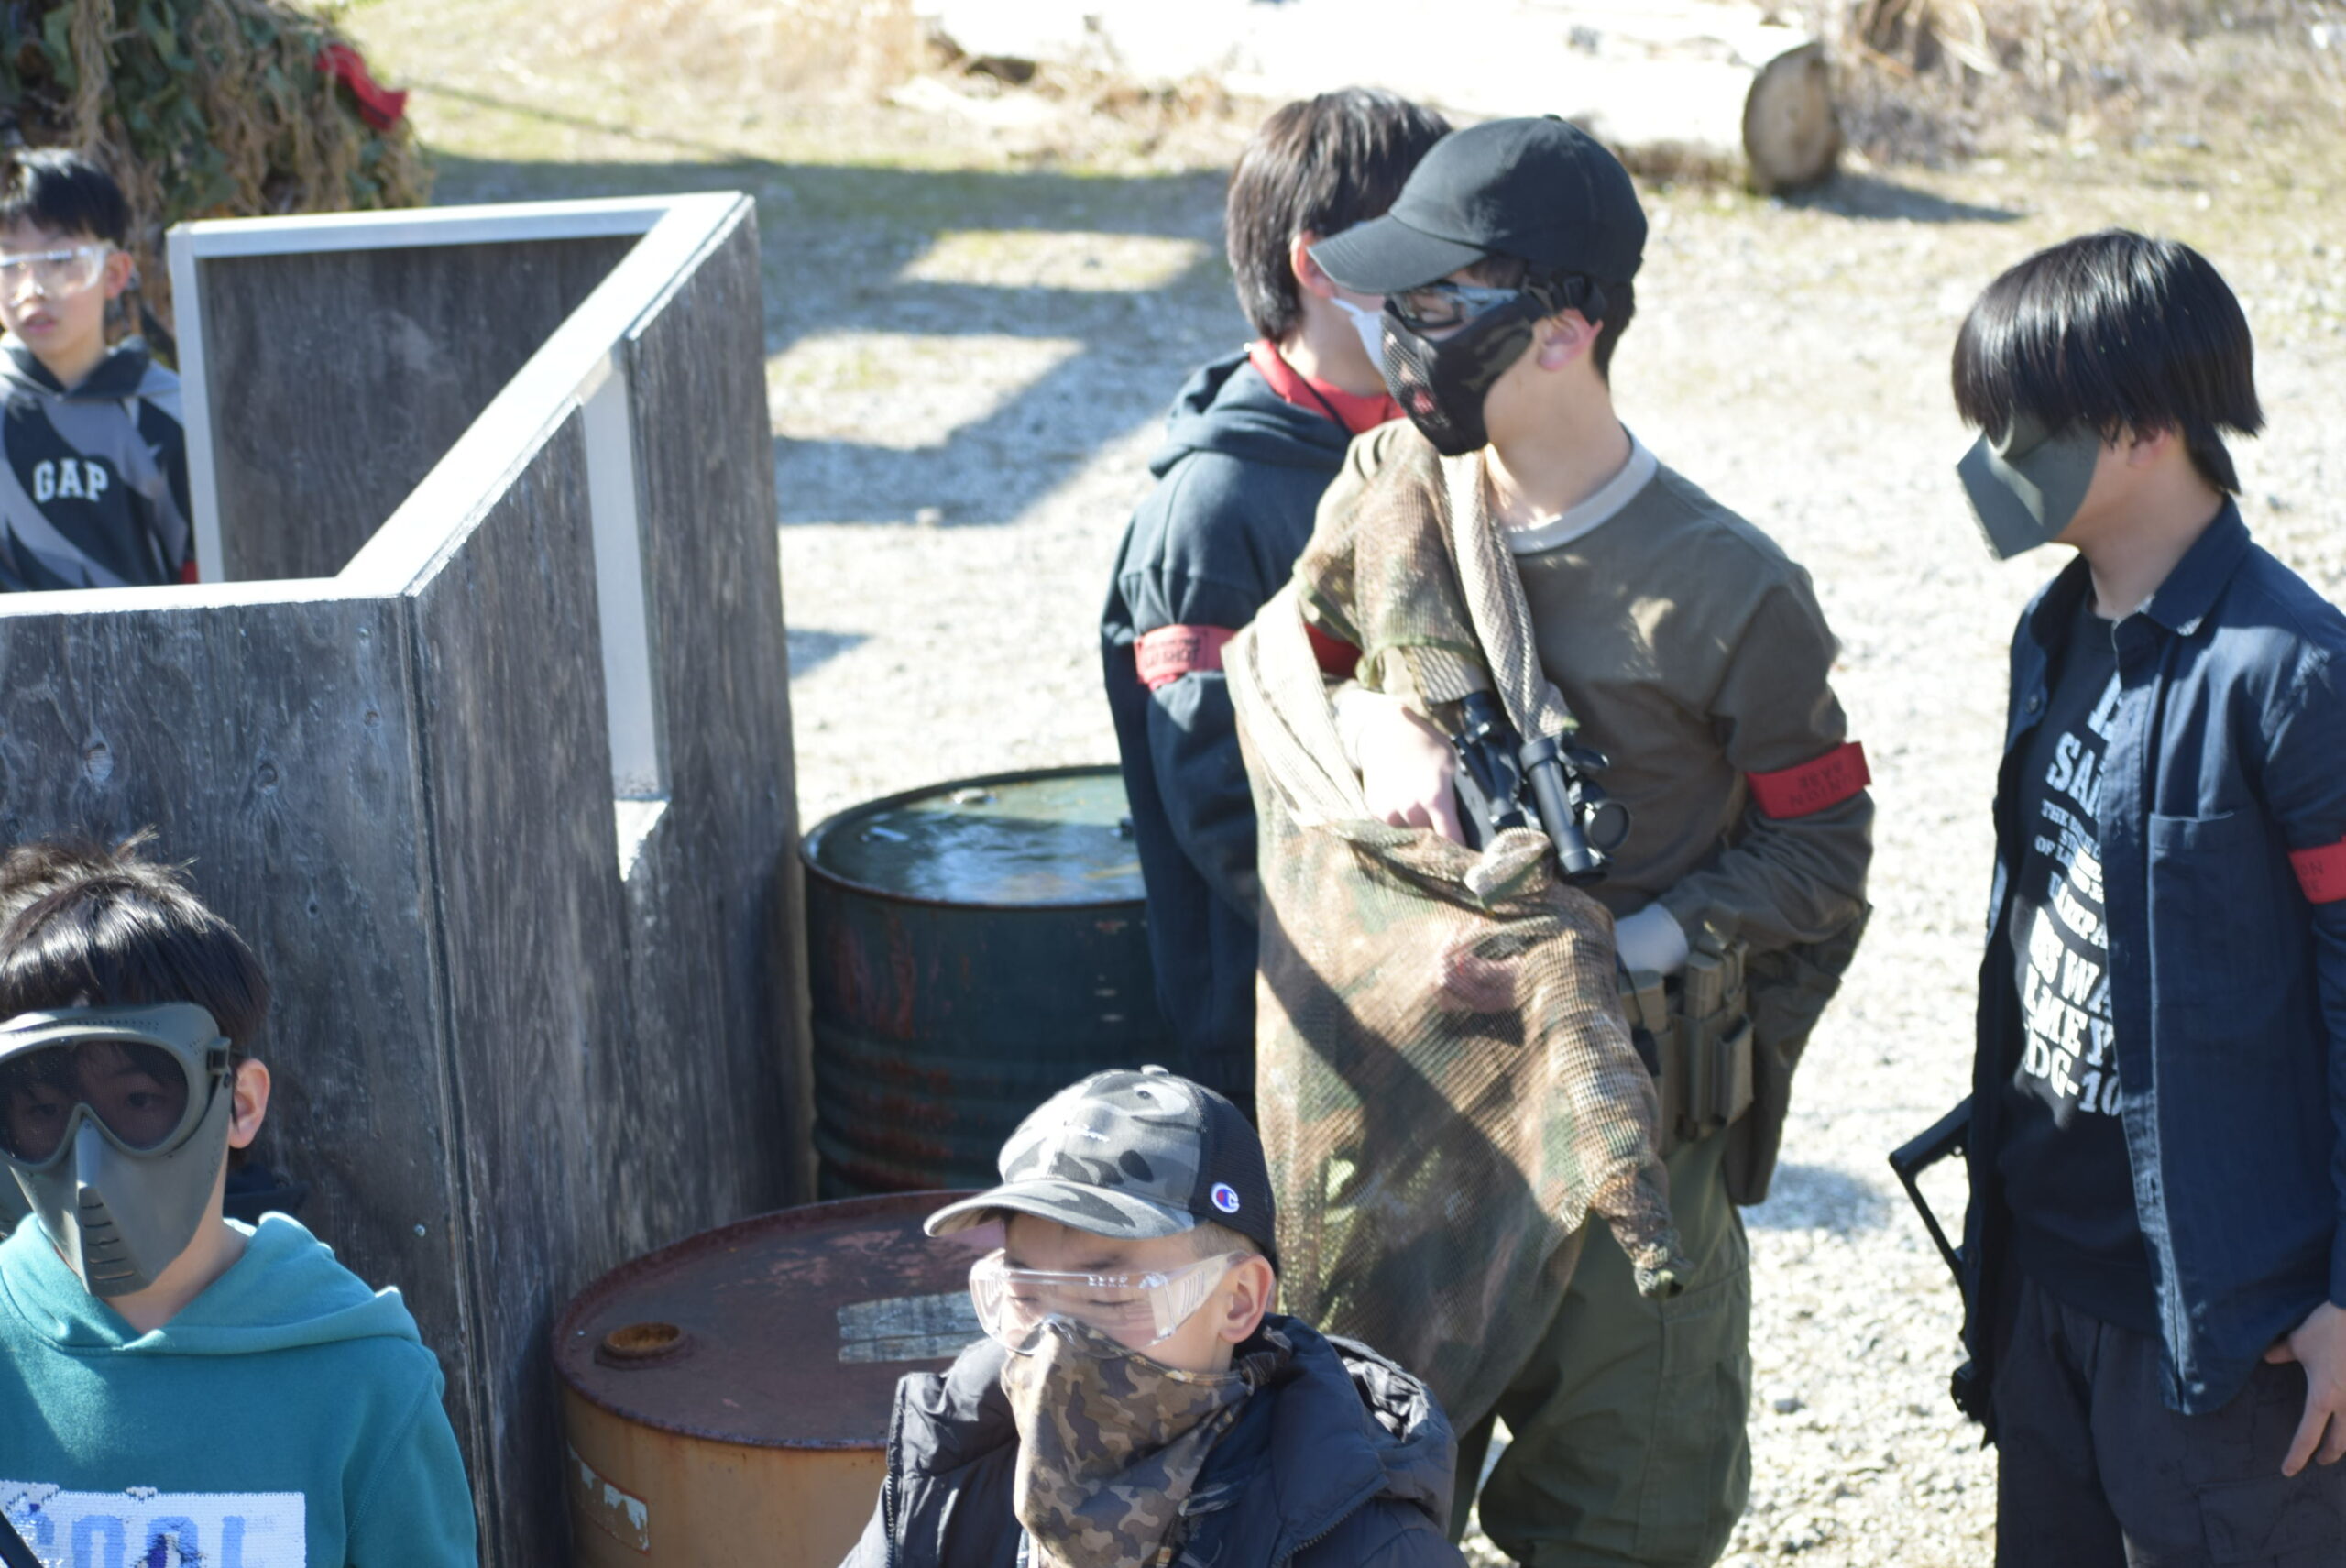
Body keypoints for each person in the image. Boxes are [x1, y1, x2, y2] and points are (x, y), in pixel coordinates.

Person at [1300, 116, 1873, 1565]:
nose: (1398, 335)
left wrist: (1619, 945)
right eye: (1395, 301)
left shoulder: (1730, 591)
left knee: (1624, 1520)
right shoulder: (1391, 492)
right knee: (1357, 1498)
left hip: (1631, 1142)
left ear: (1562, 331)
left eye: (1437, 305)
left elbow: (1823, 852)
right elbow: (1288, 671)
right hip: (1422, 1116)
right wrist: (1387, 727)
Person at [1946, 231, 2346, 1564]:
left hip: (2230, 1326)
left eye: (2011, 424)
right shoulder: (2054, 627)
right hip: (2042, 1276)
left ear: (2141, 427)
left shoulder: (2292, 675)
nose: (1985, 460)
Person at [1101, 89, 1449, 1114]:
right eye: (1423, 247)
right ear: (1319, 265)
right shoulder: (1212, 510)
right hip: (1284, 1028)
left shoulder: (1419, 440)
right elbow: (1216, 797)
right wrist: (1395, 948)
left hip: (1422, 986)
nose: (1451, 279)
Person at [0, 835, 477, 1565]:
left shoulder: (362, 1379)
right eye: (42, 1109)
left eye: (139, 1099)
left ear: (241, 1103)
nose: (89, 1164)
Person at [843, 1065, 1466, 1568]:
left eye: (1109, 1293)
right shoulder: (954, 1471)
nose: (1054, 1342)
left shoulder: (1360, 1543)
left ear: (1239, 1299)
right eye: (1026, 1292)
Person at [0, 148, 195, 591]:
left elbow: (209, 576)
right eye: (10, 265)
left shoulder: (171, 413)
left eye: (61, 260)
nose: (33, 289)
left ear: (114, 273)